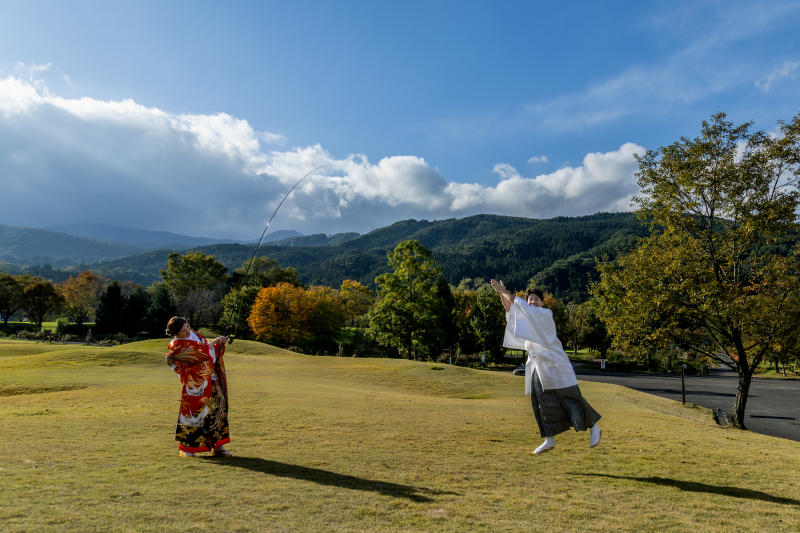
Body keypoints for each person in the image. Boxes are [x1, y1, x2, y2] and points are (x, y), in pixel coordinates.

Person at [490, 280, 601, 454]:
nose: (532, 301)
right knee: (540, 402)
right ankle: (549, 439)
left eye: (536, 299)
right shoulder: (528, 316)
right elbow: (511, 312)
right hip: (536, 365)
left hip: (554, 364)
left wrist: (504, 291)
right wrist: (501, 293)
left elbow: (520, 306)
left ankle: (593, 426)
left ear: (542, 302)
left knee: (569, 396)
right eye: (529, 299)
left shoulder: (544, 314)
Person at [165, 317, 232, 458]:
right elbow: (196, 355)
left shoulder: (195, 335)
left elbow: (206, 348)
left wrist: (218, 343)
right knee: (195, 415)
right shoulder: (176, 344)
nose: (188, 331)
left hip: (212, 379)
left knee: (217, 412)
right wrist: (211, 344)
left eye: (188, 327)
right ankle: (187, 448)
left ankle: (218, 446)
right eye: (183, 331)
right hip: (195, 385)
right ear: (175, 333)